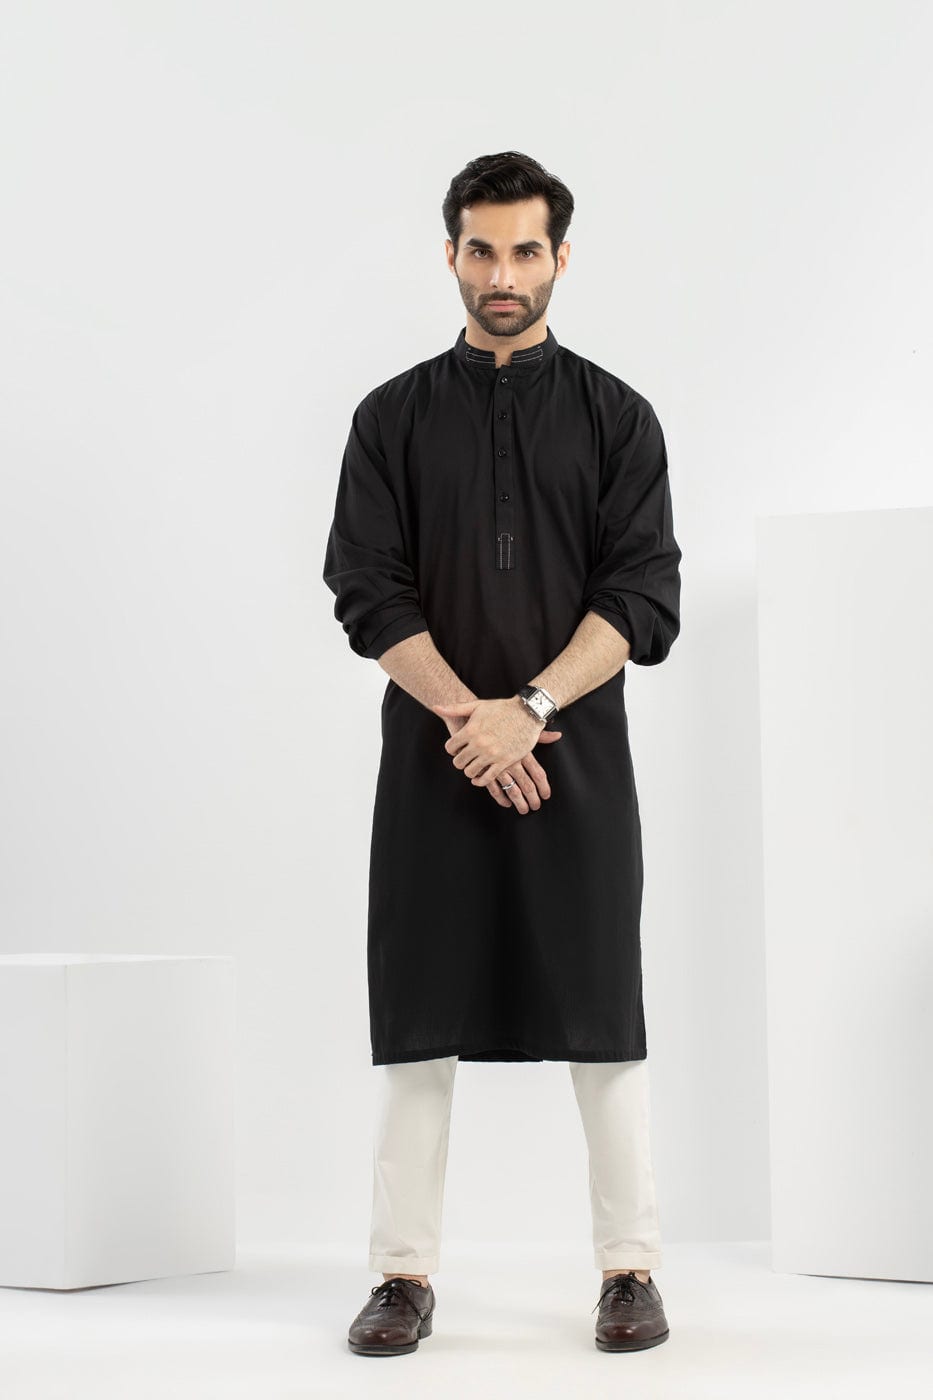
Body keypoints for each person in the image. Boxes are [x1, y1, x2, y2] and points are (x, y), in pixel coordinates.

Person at [322, 150, 682, 1356]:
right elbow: (366, 587)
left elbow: (641, 593)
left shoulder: (619, 417)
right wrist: (468, 719)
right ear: (451, 256)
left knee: (605, 1015)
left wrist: (526, 706)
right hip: (433, 764)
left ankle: (631, 1267)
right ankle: (402, 1275)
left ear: (561, 257)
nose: (503, 275)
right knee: (416, 1018)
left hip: (578, 758)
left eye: (526, 250)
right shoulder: (390, 417)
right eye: (481, 250)